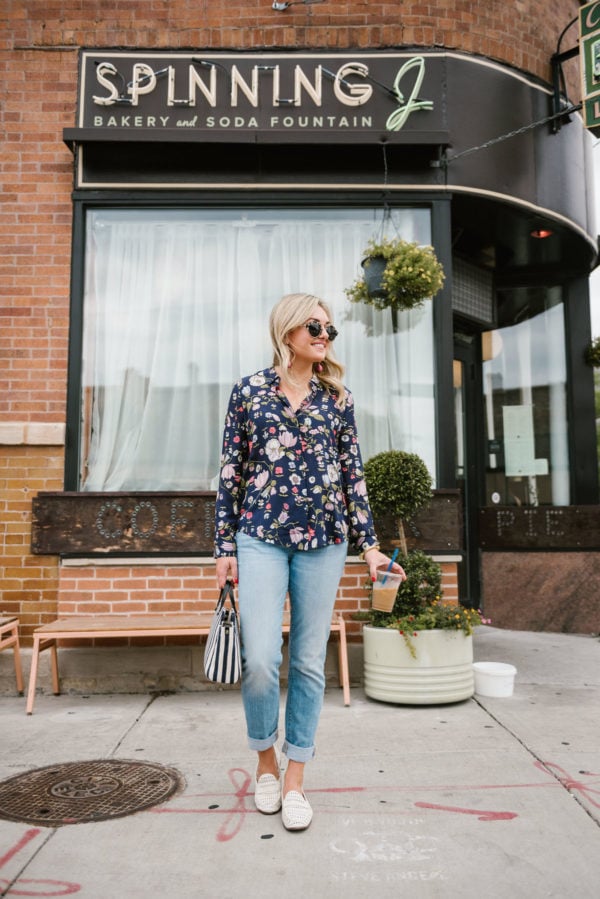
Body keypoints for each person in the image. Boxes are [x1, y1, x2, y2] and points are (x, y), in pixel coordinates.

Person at [214, 292, 404, 831]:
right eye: (315, 327)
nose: (325, 336)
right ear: (289, 330)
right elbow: (231, 472)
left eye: (330, 330)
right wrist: (224, 548)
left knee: (307, 662)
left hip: (324, 541)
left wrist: (368, 545)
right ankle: (265, 765)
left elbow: (353, 476)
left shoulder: (337, 398)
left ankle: (296, 778)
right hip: (260, 536)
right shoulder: (249, 392)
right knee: (259, 659)